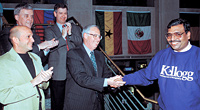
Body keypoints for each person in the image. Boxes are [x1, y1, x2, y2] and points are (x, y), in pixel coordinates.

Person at [115, 18, 200, 110]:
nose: (172, 39)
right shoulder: (162, 55)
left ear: (188, 35)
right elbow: (146, 75)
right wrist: (123, 80)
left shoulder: (197, 56)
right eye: (169, 35)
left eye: (177, 34)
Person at [63, 25, 125, 110]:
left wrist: (115, 82)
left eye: (99, 36)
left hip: (98, 104)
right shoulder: (73, 53)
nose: (98, 39)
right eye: (95, 36)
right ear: (85, 36)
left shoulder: (99, 55)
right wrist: (108, 82)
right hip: (79, 103)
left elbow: (106, 74)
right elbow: (82, 78)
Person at [0, 26, 53, 110]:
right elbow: (3, 96)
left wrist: (45, 79)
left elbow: (44, 86)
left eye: (32, 36)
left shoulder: (36, 58)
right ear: (16, 40)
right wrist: (33, 82)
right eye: (28, 37)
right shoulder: (3, 62)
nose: (33, 40)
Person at [44, 3, 82, 110]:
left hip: (74, 71)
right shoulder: (49, 30)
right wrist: (63, 36)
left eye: (65, 13)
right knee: (58, 103)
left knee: (73, 101)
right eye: (60, 13)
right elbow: (51, 47)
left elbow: (80, 43)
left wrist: (70, 34)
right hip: (58, 72)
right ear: (55, 14)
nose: (63, 16)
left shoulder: (74, 27)